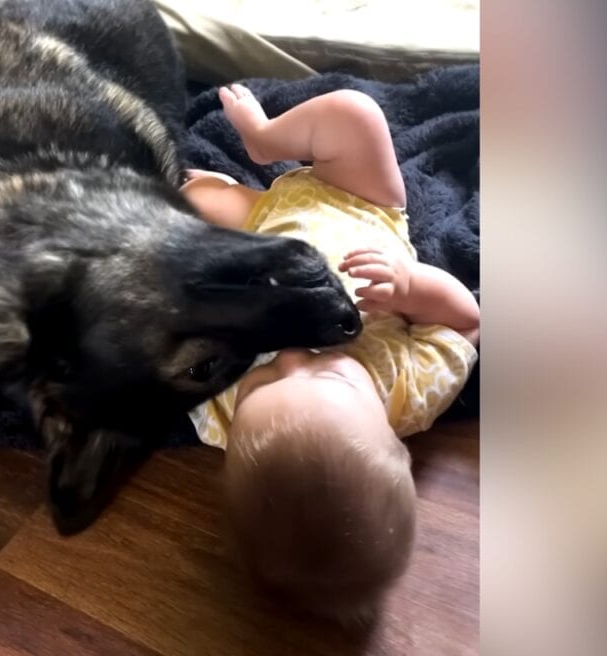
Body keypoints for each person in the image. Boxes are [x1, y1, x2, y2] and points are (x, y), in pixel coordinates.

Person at [180, 84, 480, 622]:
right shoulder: (413, 392)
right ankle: (264, 143)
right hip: (358, 202)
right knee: (354, 115)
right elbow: (465, 321)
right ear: (393, 436)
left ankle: (245, 167)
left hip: (266, 230)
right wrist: (411, 287)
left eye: (263, 380)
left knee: (183, 207)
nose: (292, 356)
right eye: (330, 375)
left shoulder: (218, 415)